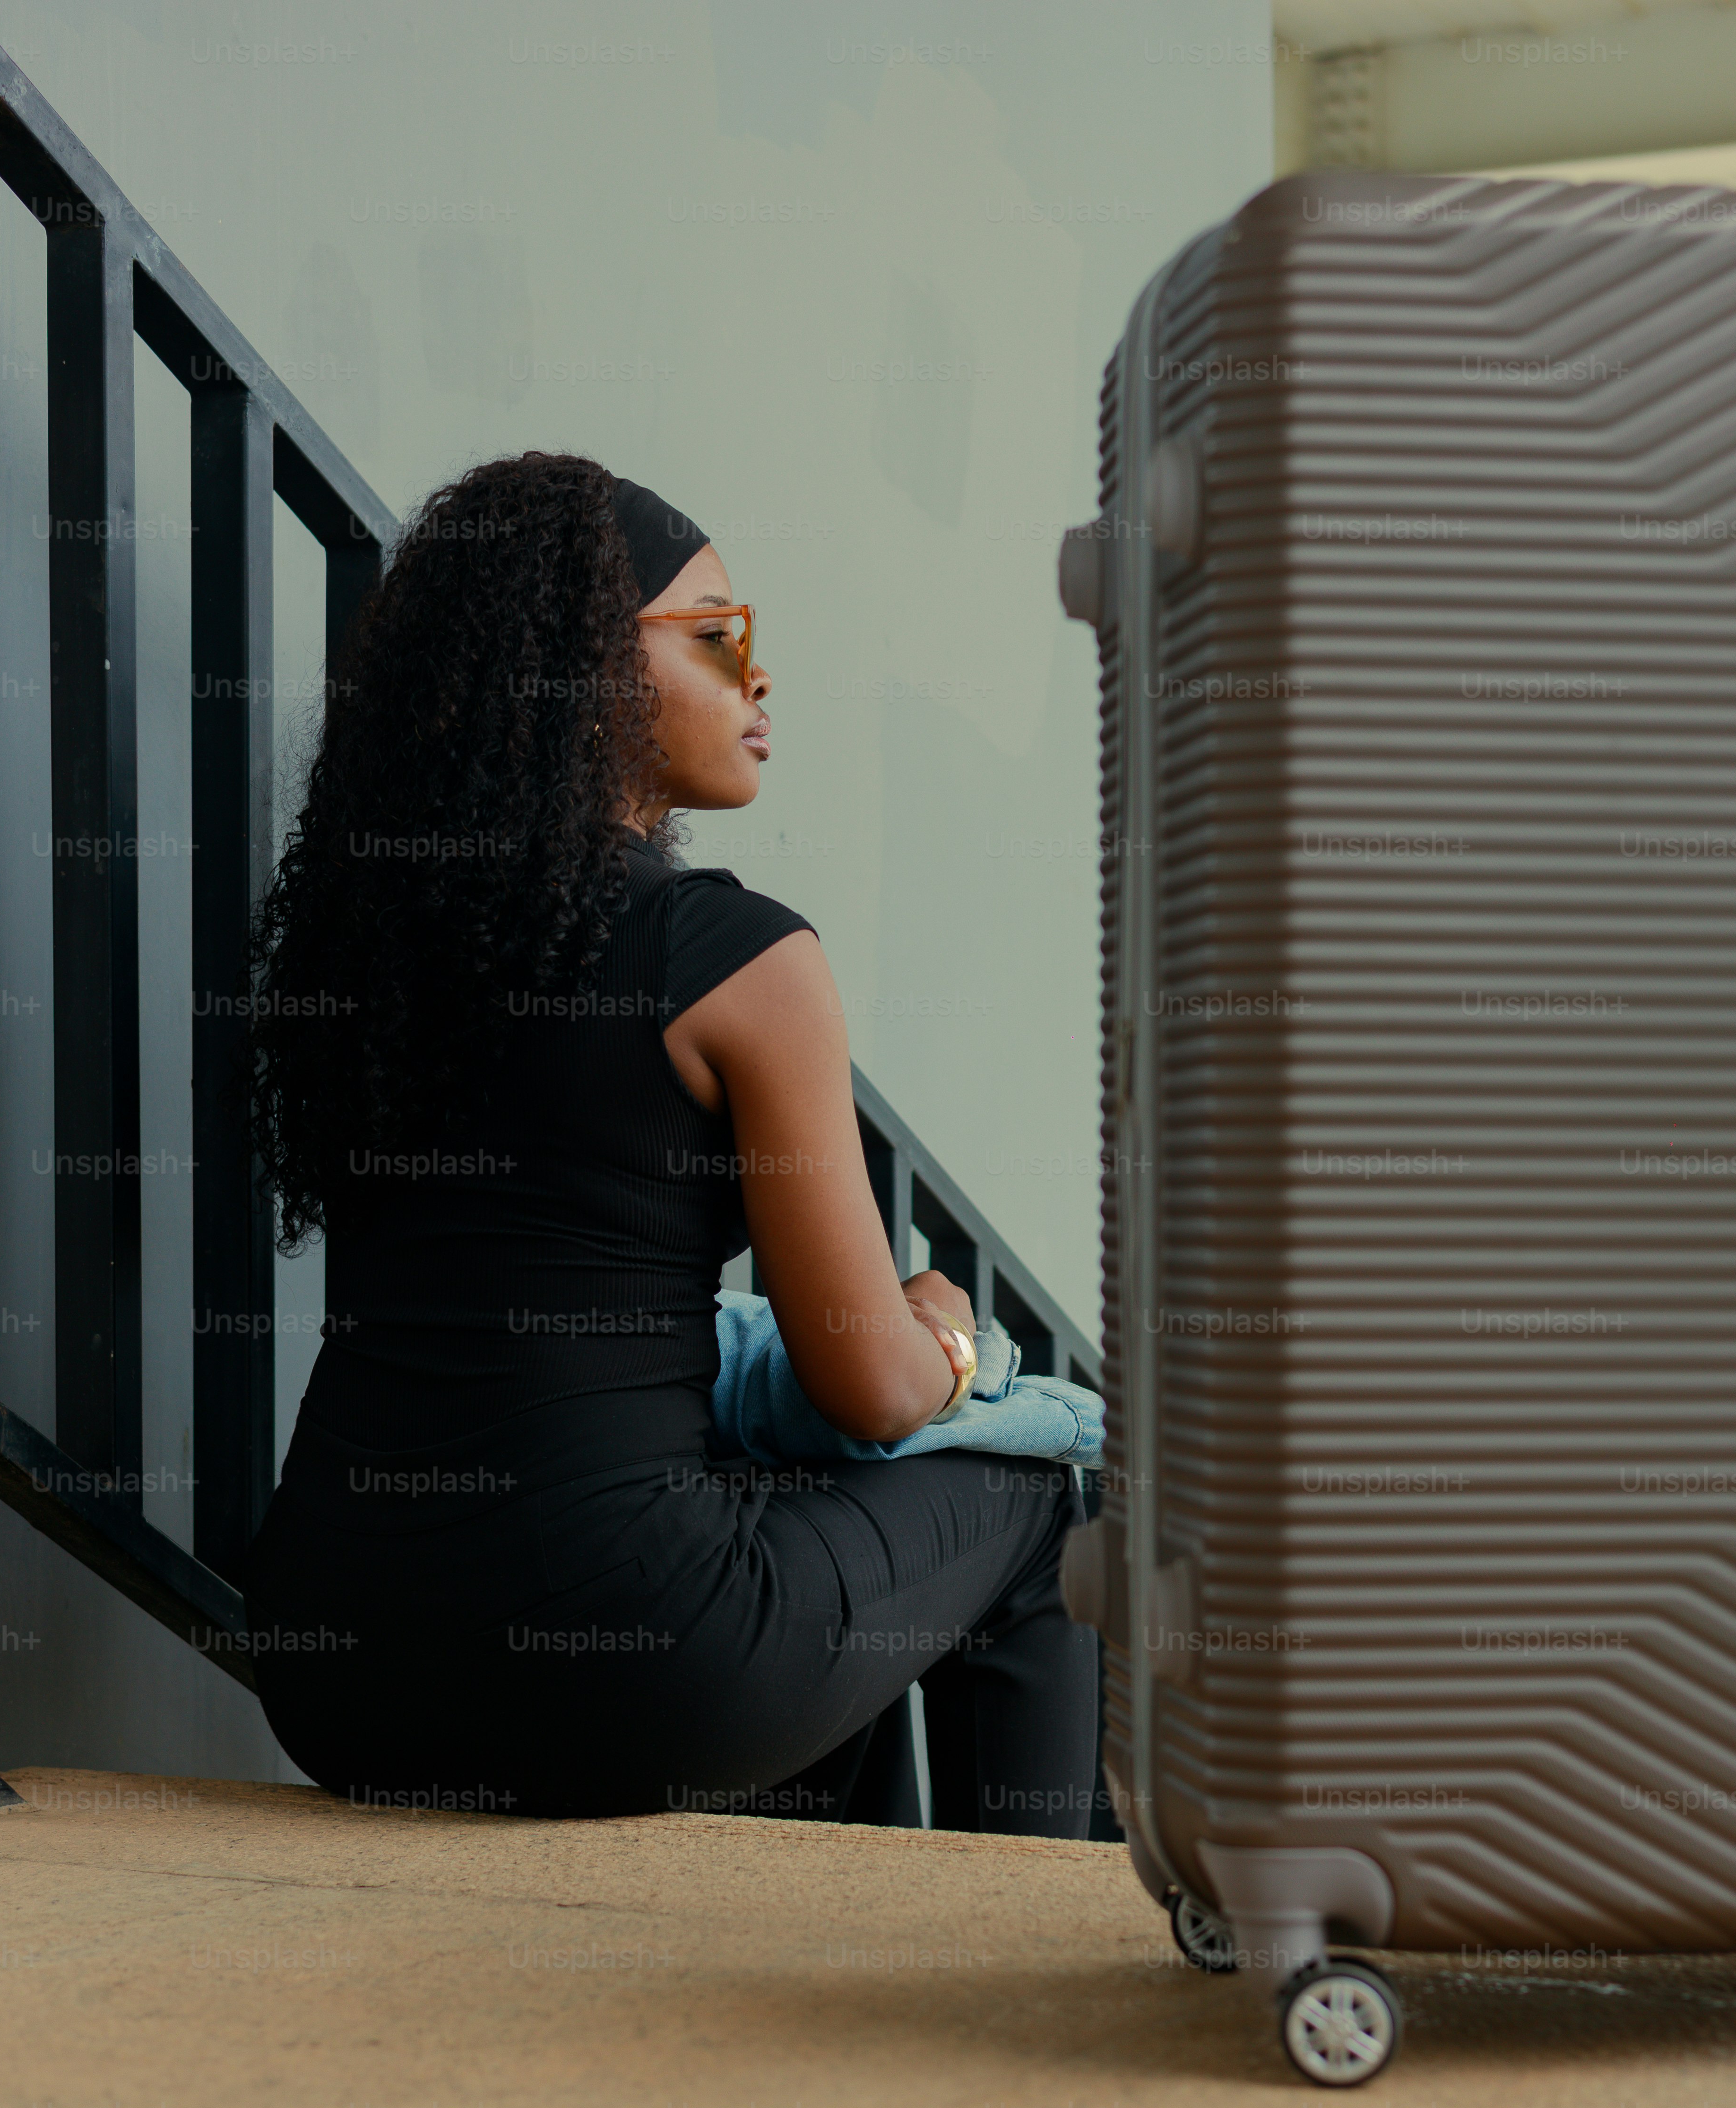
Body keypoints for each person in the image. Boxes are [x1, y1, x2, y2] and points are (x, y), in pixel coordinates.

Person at [237, 451, 1097, 1832]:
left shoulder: (386, 966)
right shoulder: (739, 959)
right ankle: (1028, 1970)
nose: (758, 680)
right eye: (717, 637)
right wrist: (937, 1331)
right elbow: (872, 1390)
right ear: (583, 671)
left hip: (339, 1667)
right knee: (1048, 1510)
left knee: (785, 1514)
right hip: (629, 1664)